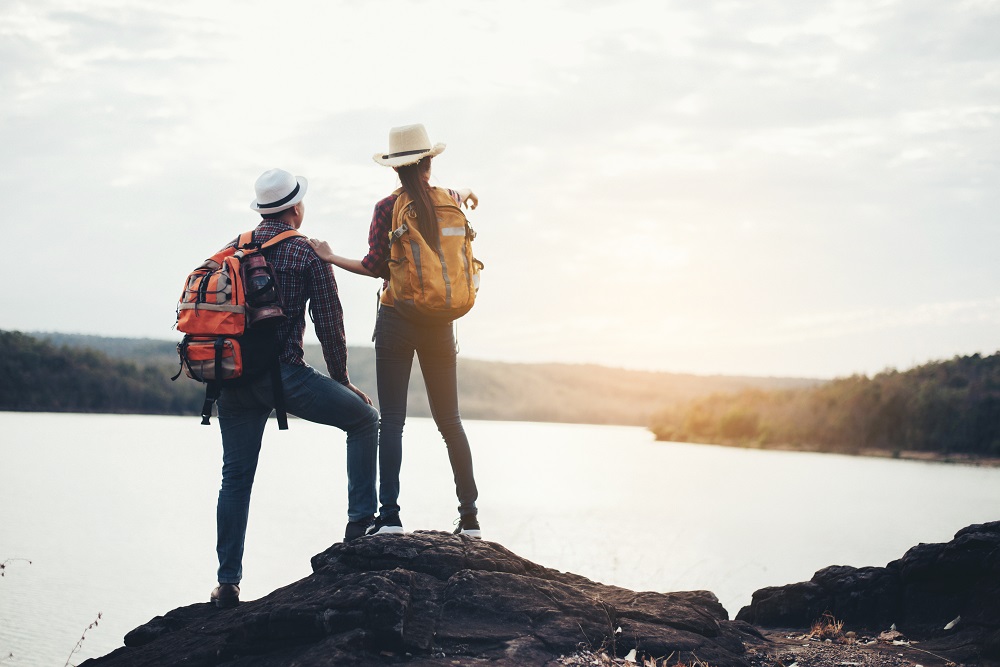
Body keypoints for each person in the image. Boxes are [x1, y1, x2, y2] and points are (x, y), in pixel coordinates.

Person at [210, 168, 380, 609]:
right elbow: (330, 325)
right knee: (365, 420)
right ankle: (360, 527)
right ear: (295, 208)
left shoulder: (236, 246)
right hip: (284, 377)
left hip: (232, 380)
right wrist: (342, 379)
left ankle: (227, 583)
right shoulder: (306, 253)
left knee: (235, 481)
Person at [308, 124, 481, 539]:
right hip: (441, 321)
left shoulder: (388, 207)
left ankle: (390, 518)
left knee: (393, 421)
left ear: (395, 168)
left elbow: (374, 267)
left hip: (398, 319)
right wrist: (467, 190)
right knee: (450, 421)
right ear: (430, 162)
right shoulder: (450, 200)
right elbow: (457, 195)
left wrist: (330, 256)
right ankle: (471, 519)